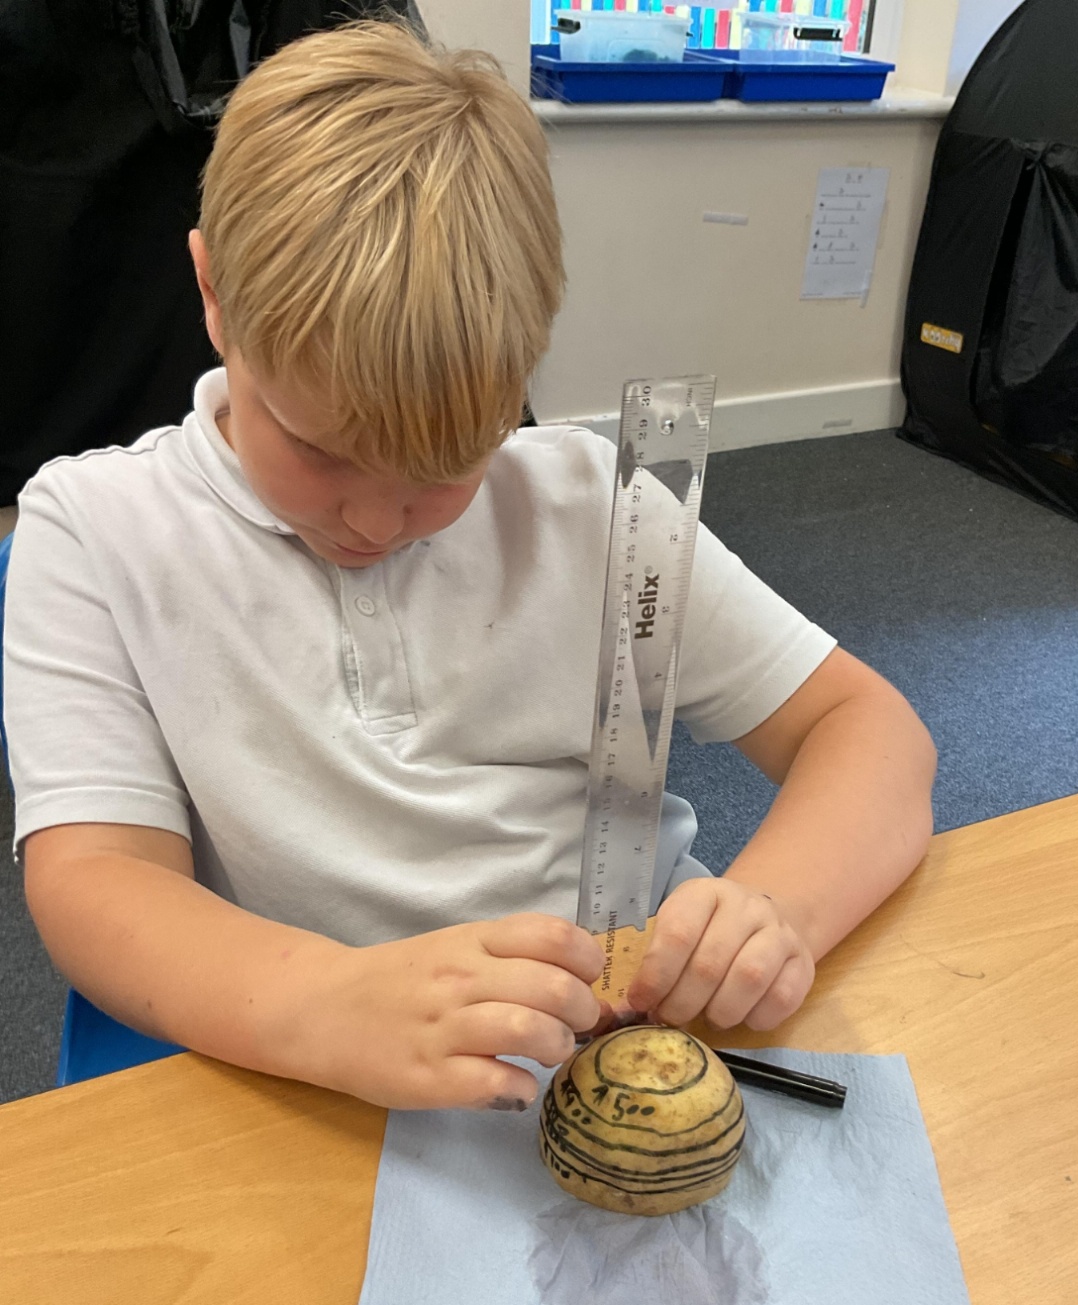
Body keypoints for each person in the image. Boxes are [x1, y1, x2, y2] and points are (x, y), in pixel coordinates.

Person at [3, 21, 936, 1115]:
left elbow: (866, 730)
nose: (375, 519)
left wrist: (777, 909)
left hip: (622, 1042)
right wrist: (322, 1002)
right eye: (316, 449)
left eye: (445, 467)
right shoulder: (93, 529)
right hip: (312, 1069)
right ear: (212, 290)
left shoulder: (590, 505)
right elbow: (98, 880)